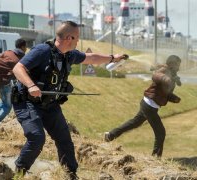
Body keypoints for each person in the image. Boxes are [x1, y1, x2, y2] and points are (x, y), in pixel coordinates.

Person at [11, 21, 128, 179]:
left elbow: (90, 58)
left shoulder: (69, 55)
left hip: (50, 104)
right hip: (27, 102)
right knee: (37, 137)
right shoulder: (42, 51)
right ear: (68, 37)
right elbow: (18, 68)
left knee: (64, 138)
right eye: (77, 37)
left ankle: (70, 173)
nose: (78, 41)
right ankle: (18, 172)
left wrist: (113, 58)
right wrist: (31, 85)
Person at [104, 55, 182, 157]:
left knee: (134, 123)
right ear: (172, 64)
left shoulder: (171, 73)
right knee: (160, 132)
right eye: (177, 65)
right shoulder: (164, 70)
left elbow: (164, 92)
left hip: (149, 104)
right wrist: (169, 79)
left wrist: (174, 99)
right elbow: (156, 76)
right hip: (149, 105)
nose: (179, 68)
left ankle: (110, 135)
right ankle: (156, 158)